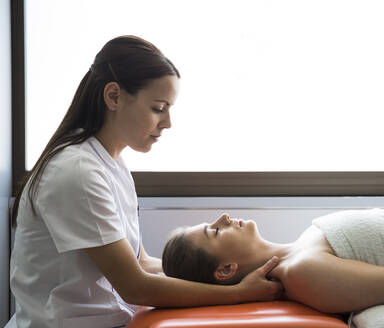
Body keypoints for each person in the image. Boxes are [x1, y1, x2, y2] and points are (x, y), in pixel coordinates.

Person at [9, 35, 282, 328]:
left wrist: (234, 277)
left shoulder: (110, 164)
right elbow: (135, 286)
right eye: (158, 108)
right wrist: (239, 294)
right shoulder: (77, 171)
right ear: (113, 96)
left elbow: (142, 264)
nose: (167, 123)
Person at [162, 209, 384, 314]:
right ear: (225, 270)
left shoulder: (301, 247)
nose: (222, 217)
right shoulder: (304, 273)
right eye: (214, 232)